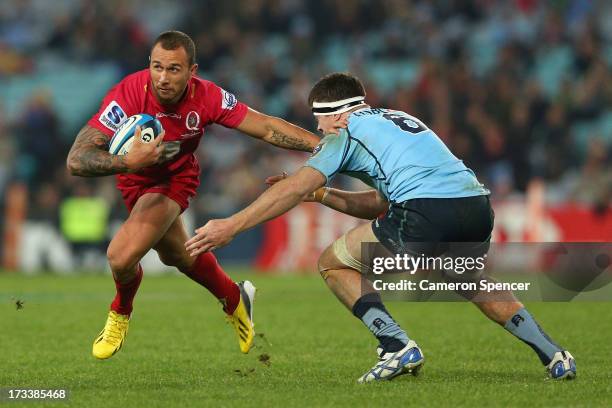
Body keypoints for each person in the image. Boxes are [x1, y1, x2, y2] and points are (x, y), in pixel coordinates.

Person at [185, 72, 576, 382]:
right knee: (471, 282)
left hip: (425, 210)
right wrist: (323, 197)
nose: (319, 129)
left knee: (332, 264)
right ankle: (554, 354)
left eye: (318, 119)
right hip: (475, 205)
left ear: (335, 113)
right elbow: (380, 202)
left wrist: (232, 225)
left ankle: (396, 345)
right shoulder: (398, 119)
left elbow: (294, 186)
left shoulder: (346, 131)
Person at [66, 31, 320, 360]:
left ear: (192, 71)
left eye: (173, 69)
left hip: (174, 180)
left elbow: (267, 127)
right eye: (157, 67)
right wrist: (127, 161)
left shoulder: (207, 97)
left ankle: (120, 312)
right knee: (177, 256)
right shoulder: (128, 93)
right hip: (132, 179)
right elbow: (76, 159)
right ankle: (234, 297)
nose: (163, 77)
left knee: (120, 256)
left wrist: (322, 146)